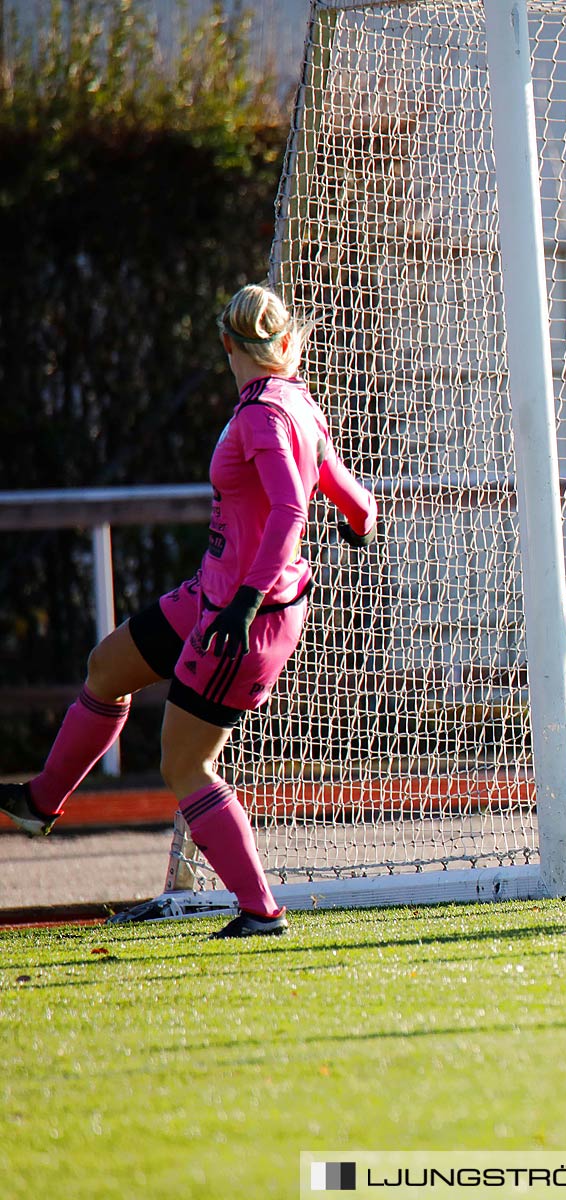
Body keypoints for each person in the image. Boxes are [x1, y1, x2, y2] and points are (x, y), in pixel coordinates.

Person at [0, 284, 377, 938]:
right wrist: (361, 520)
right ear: (288, 342)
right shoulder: (297, 405)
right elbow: (345, 490)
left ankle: (262, 913)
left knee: (184, 767)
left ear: (227, 344)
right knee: (107, 667)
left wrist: (243, 603)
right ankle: (40, 804)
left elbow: (291, 509)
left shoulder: (262, 416)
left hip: (242, 614)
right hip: (211, 595)